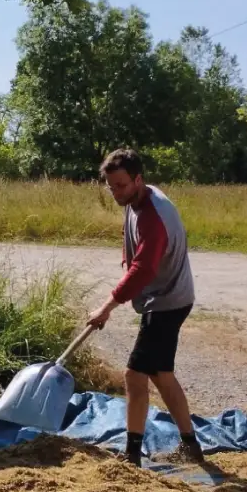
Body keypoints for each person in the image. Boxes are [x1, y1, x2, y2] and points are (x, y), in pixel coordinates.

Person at [86, 147, 203, 465]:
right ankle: (191, 446)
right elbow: (136, 252)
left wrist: (107, 306)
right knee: (161, 373)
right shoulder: (135, 199)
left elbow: (145, 268)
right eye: (110, 187)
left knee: (134, 375)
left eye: (121, 185)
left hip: (167, 301)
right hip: (167, 297)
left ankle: (132, 455)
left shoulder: (153, 213)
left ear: (138, 179)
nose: (115, 192)